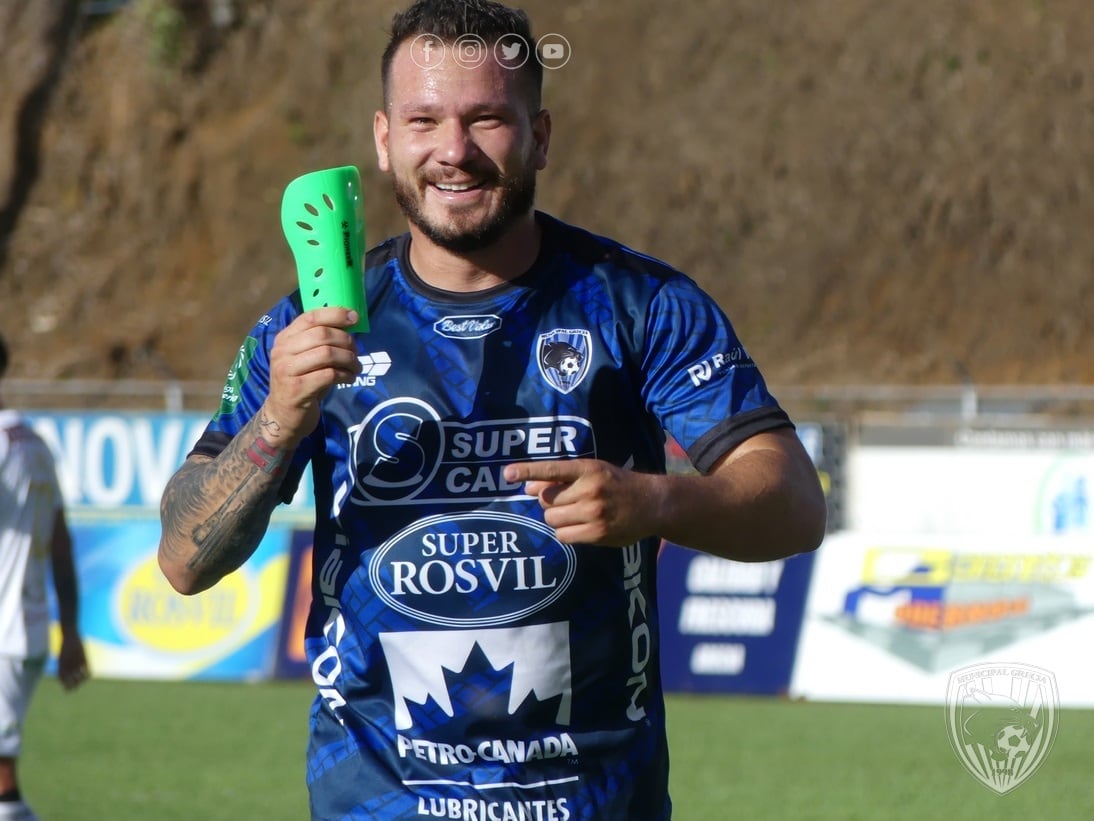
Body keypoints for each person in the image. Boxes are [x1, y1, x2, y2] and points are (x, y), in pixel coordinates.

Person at [158, 0, 827, 817]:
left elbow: (794, 504)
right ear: (383, 138)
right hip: (379, 801)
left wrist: (654, 500)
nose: (453, 151)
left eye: (486, 120)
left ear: (539, 135)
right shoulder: (304, 326)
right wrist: (278, 421)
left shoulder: (637, 302)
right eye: (424, 120)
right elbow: (185, 562)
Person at [0, 333, 89, 821]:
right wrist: (70, 632)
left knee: (3, 781)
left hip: (2, 633)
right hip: (26, 629)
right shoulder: (33, 442)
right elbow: (60, 542)